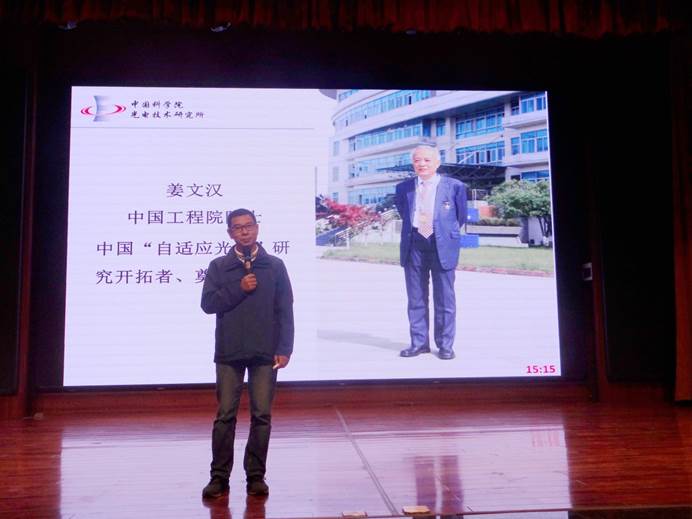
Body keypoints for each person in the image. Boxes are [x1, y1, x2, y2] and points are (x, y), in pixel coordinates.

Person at [200, 208, 294, 499]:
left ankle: (256, 476)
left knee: (261, 416)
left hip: (265, 352)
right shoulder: (219, 266)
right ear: (230, 233)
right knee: (225, 416)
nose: (244, 231)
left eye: (249, 226)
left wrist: (285, 348)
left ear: (257, 228)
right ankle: (219, 477)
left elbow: (285, 309)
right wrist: (239, 288)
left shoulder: (274, 266)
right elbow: (208, 304)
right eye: (238, 227)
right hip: (229, 351)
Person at [395, 145, 467, 360]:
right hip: (414, 243)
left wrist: (441, 231)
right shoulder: (403, 188)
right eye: (417, 160)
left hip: (441, 243)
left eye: (427, 160)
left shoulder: (454, 186)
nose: (422, 164)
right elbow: (404, 213)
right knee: (415, 297)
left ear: (437, 162)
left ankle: (445, 345)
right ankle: (419, 343)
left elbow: (460, 217)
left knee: (445, 298)